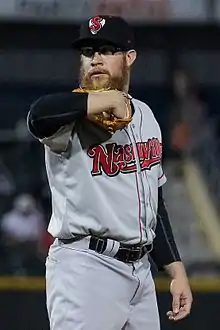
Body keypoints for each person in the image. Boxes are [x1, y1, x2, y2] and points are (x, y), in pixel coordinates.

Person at [27, 15, 193, 330]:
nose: (96, 59)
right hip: (86, 267)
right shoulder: (69, 119)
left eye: (107, 49)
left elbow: (153, 201)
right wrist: (107, 99)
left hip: (140, 273)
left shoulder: (146, 116)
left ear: (129, 57)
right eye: (88, 52)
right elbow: (38, 116)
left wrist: (175, 269)